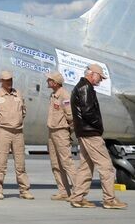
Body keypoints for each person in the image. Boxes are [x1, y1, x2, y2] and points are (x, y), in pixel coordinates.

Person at [70, 63, 127, 209]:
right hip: (90, 133)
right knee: (106, 166)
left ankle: (77, 197)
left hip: (84, 132)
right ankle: (109, 200)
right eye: (100, 77)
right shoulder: (86, 88)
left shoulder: (80, 87)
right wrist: (98, 126)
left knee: (86, 166)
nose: (100, 80)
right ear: (92, 74)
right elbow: (88, 112)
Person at [0, 69, 33, 200]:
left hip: (18, 133)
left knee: (20, 164)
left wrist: (18, 121)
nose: (9, 82)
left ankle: (24, 190)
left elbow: (24, 111)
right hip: (3, 132)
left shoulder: (18, 94)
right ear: (1, 81)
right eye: (6, 80)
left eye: (10, 80)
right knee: (1, 163)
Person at [44, 71, 76, 201]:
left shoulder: (64, 95)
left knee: (66, 162)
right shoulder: (53, 95)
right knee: (55, 163)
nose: (47, 82)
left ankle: (78, 192)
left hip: (61, 131)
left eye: (49, 80)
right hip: (52, 132)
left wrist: (68, 131)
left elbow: (71, 116)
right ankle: (63, 191)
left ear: (55, 83)